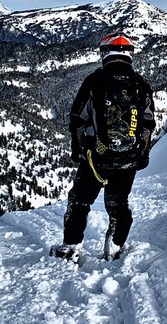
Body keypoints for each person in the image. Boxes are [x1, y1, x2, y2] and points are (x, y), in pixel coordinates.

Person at [54, 32, 156, 262]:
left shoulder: (94, 81)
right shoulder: (141, 83)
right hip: (129, 157)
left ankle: (71, 246)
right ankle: (115, 246)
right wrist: (143, 152)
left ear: (104, 53)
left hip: (95, 157)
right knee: (118, 201)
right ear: (129, 55)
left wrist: (78, 148)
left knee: (80, 200)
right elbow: (148, 122)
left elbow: (77, 118)